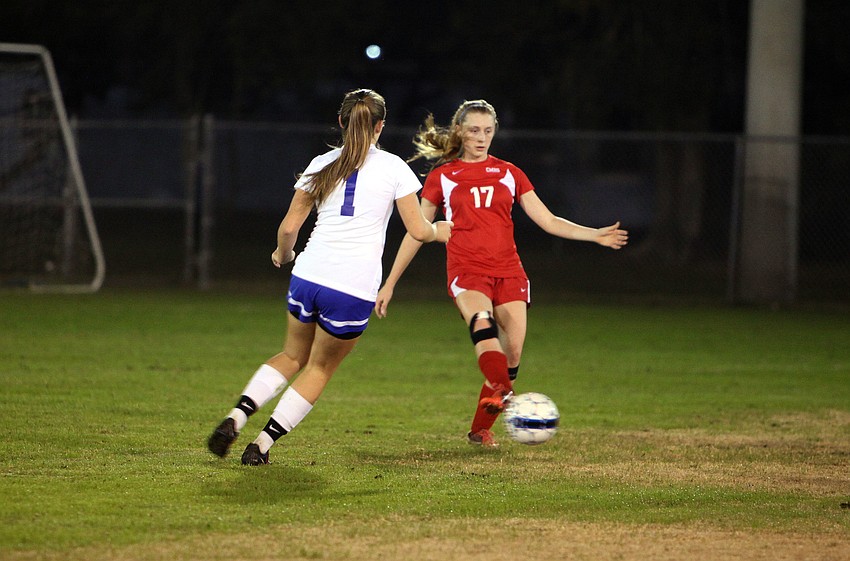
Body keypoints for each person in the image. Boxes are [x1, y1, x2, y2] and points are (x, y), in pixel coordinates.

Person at [207, 88, 453, 465]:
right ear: (380, 127)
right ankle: (261, 445)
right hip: (352, 286)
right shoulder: (393, 168)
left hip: (308, 274)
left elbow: (290, 228)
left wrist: (282, 254)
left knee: (291, 356)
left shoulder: (322, 162)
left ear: (341, 122)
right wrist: (441, 230)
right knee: (319, 367)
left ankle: (235, 417)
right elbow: (419, 230)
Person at [375, 99, 628, 448]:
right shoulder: (443, 176)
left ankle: (481, 429)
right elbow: (417, 230)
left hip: (509, 271)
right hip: (467, 270)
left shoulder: (510, 172)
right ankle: (508, 398)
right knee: (482, 324)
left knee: (513, 354)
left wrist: (593, 233)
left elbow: (548, 220)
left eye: (488, 131)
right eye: (475, 130)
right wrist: (389, 283)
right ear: (460, 132)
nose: (482, 138)